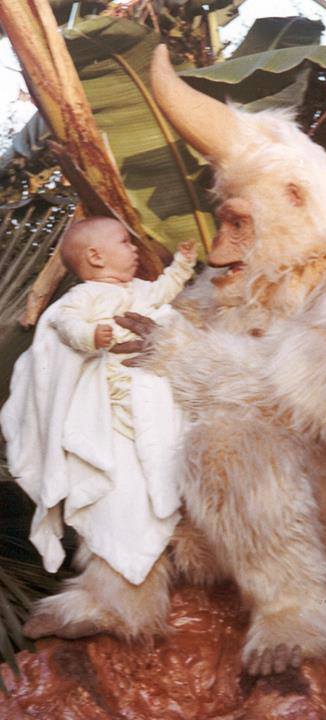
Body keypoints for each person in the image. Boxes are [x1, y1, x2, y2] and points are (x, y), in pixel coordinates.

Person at [1, 216, 197, 593]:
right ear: (96, 256)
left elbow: (164, 290)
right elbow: (67, 324)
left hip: (143, 384)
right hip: (107, 388)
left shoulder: (140, 289)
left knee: (158, 455)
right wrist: (91, 336)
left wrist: (183, 265)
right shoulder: (82, 297)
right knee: (118, 467)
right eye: (126, 242)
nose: (136, 250)